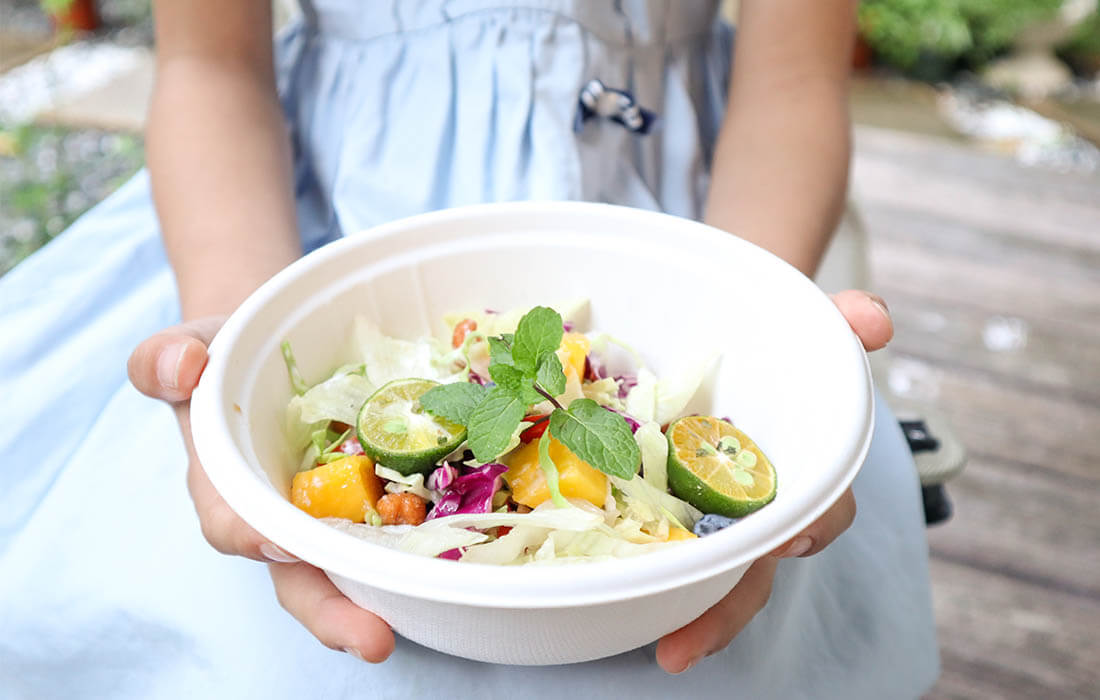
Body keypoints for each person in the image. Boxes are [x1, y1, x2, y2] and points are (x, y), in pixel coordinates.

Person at [0, 1, 940, 698]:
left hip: (690, 225)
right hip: (301, 230)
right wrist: (245, 341)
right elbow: (211, 64)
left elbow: (794, 78)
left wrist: (755, 320)